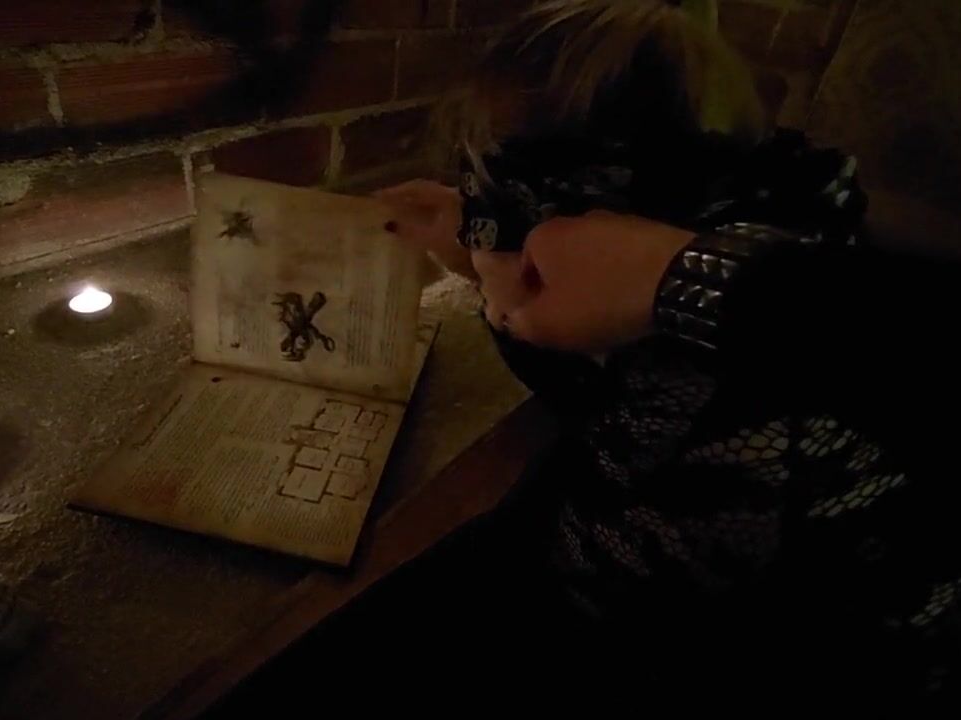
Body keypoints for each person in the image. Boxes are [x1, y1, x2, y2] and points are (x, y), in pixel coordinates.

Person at [376, 0, 961, 711]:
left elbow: (599, 597)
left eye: (491, 214)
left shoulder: (728, 417)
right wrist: (483, 253)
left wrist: (501, 286)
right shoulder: (783, 229)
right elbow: (590, 354)